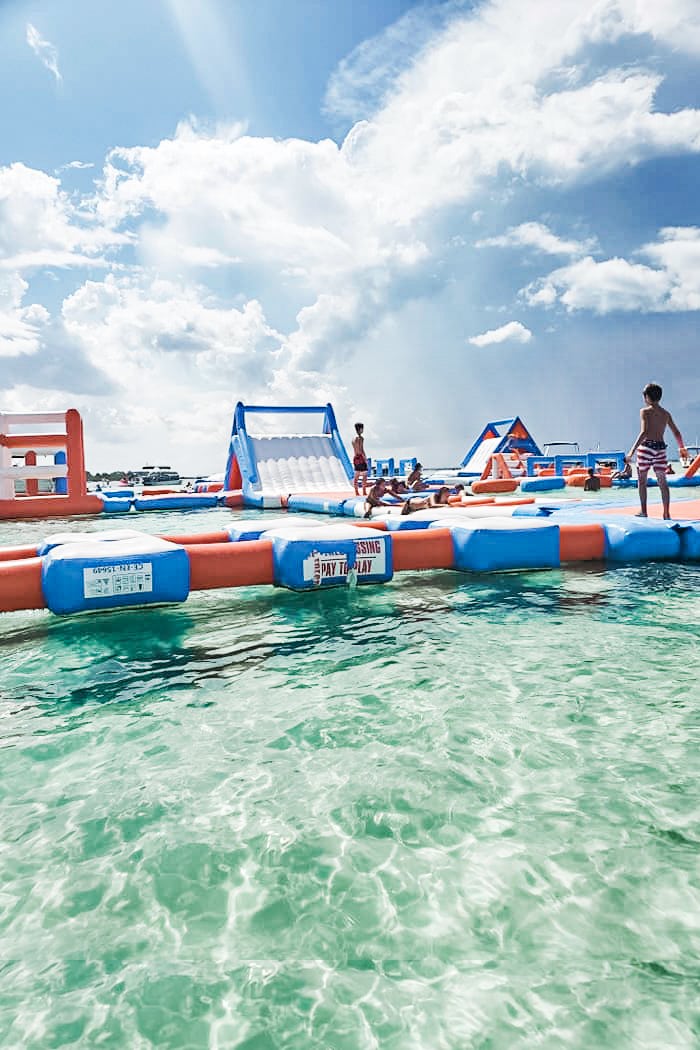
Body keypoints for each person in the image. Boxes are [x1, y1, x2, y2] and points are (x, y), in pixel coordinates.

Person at [626, 382, 687, 519]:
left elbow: (644, 432)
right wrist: (681, 448)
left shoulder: (645, 411)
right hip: (660, 449)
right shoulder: (666, 414)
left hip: (647, 447)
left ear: (647, 397)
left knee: (642, 481)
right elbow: (677, 433)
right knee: (662, 482)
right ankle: (666, 513)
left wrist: (631, 451)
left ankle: (644, 511)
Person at [352, 422, 368, 497]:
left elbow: (356, 449)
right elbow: (361, 449)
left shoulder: (353, 438)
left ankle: (356, 492)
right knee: (364, 476)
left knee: (356, 476)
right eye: (362, 428)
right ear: (360, 429)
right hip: (360, 457)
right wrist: (365, 458)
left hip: (355, 457)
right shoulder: (360, 438)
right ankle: (364, 491)